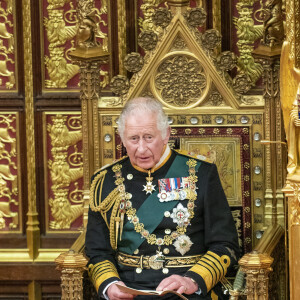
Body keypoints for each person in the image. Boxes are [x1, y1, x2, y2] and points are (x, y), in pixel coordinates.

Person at [85, 97, 239, 300]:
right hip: (128, 290)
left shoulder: (201, 173)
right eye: (133, 139)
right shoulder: (105, 181)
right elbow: (97, 249)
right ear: (121, 137)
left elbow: (225, 244)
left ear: (166, 134)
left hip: (186, 290)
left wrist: (193, 280)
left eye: (148, 137)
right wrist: (110, 284)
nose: (141, 148)